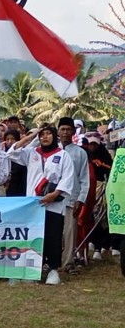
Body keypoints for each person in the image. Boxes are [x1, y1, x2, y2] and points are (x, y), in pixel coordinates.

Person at [7, 125, 75, 285]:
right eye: (42, 134)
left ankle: (53, 270)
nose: (45, 137)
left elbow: (68, 178)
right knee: (33, 237)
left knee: (53, 237)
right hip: (34, 205)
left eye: (48, 134)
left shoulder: (63, 155)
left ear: (54, 136)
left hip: (53, 205)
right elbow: (12, 152)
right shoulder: (32, 153)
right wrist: (32, 135)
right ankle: (32, 270)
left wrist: (55, 194)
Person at [58, 117, 90, 274]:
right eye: (62, 129)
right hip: (53, 199)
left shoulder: (80, 153)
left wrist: (80, 199)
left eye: (68, 129)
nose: (65, 132)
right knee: (54, 232)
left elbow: (84, 179)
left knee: (70, 232)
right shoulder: (52, 150)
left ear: (73, 131)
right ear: (57, 131)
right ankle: (51, 262)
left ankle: (68, 263)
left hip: (71, 198)